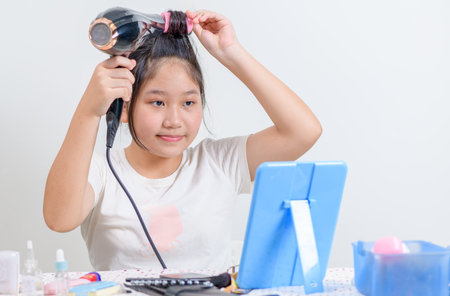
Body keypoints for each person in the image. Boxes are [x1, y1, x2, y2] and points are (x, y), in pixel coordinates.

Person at [43, 10, 322, 271]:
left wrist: (231, 53)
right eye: (157, 102)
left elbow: (302, 131)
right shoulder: (101, 171)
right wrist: (90, 110)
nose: (174, 120)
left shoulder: (220, 162)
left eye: (188, 102)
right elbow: (59, 219)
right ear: (124, 107)